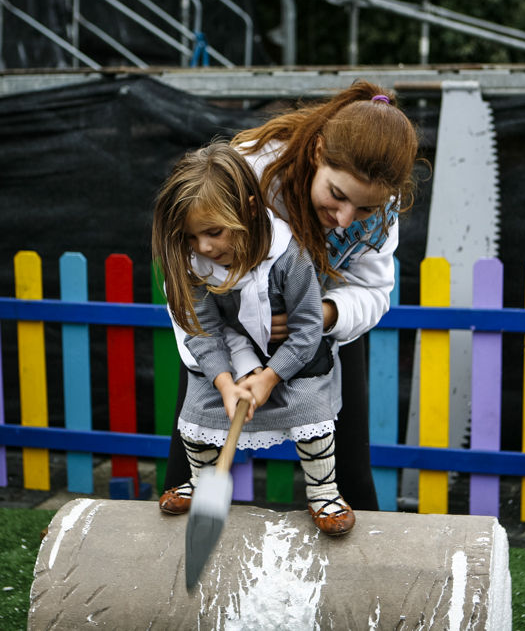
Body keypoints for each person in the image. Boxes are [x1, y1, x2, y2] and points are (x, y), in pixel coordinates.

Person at [161, 81, 419, 511]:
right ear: (318, 152)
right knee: (192, 455)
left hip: (319, 336)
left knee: (349, 473)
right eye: (337, 195)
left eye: (365, 209)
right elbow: (187, 275)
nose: (345, 220)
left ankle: (352, 540)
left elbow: (374, 291)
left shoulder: (383, 212)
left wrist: (322, 314)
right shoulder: (249, 168)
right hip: (223, 331)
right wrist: (222, 368)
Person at [152, 142, 354, 536]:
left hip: (291, 357)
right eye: (191, 237)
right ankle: (201, 483)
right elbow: (203, 332)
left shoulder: (290, 257)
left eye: (213, 232)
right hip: (227, 358)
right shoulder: (193, 264)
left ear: (247, 209)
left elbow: (308, 330)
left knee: (309, 406)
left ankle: (324, 492)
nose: (203, 247)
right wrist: (226, 383)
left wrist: (270, 376)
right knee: (198, 408)